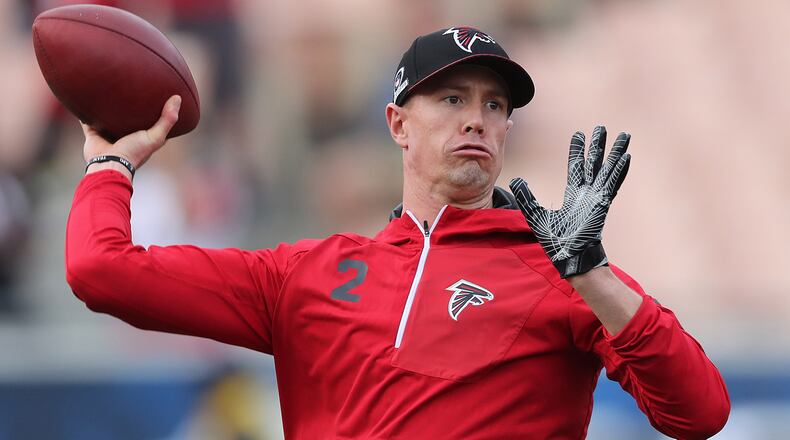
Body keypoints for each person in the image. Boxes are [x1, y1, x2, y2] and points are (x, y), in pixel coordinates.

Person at [66, 27, 730, 439]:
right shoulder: (306, 274)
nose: (477, 119)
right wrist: (110, 168)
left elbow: (698, 413)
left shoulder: (562, 271)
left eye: (494, 105)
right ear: (396, 124)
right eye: (452, 99)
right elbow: (101, 271)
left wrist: (592, 275)